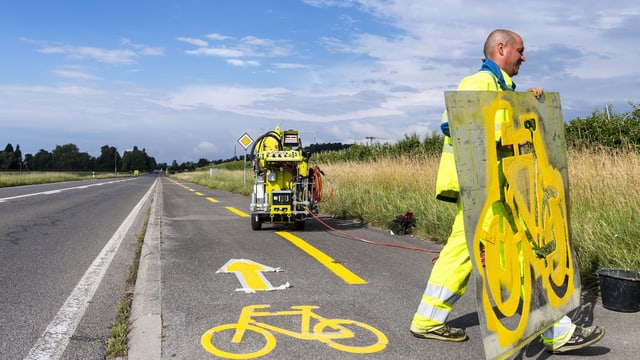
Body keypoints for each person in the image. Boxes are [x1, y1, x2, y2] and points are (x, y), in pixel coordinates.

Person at [410, 29, 605, 354]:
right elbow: (454, 122)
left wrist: (529, 105)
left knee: (461, 252)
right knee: (525, 252)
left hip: (488, 188)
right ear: (501, 49)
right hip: (485, 188)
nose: (524, 57)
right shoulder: (479, 83)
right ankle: (555, 331)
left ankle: (427, 318)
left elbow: (501, 125)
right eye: (520, 50)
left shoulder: (500, 88)